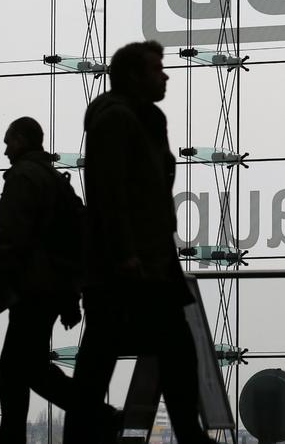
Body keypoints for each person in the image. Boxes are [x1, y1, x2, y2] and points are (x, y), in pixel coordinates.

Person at [64, 41, 212, 444]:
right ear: (133, 75)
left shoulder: (145, 119)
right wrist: (126, 254)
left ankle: (187, 434)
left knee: (113, 357)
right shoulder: (117, 120)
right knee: (153, 352)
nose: (165, 75)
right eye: (156, 69)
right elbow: (110, 193)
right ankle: (189, 434)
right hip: (129, 264)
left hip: (144, 260)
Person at [0, 116, 100, 444]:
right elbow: (69, 241)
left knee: (15, 371)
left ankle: (99, 416)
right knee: (29, 367)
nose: (5, 149)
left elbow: (12, 237)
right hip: (51, 289)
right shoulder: (56, 180)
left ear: (21, 140)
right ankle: (99, 415)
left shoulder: (23, 177)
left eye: (9, 141)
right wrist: (69, 297)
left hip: (30, 288)